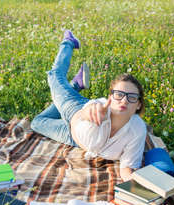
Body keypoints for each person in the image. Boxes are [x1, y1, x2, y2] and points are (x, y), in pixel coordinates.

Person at [31, 30, 147, 181]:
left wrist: (135, 185)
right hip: (73, 109)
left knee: (36, 122)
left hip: (73, 137)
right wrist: (89, 112)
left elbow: (126, 167)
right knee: (54, 75)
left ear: (138, 104)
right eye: (119, 95)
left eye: (131, 97)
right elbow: (87, 112)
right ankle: (69, 42)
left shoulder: (137, 130)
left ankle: (76, 85)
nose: (124, 101)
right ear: (110, 97)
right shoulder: (99, 107)